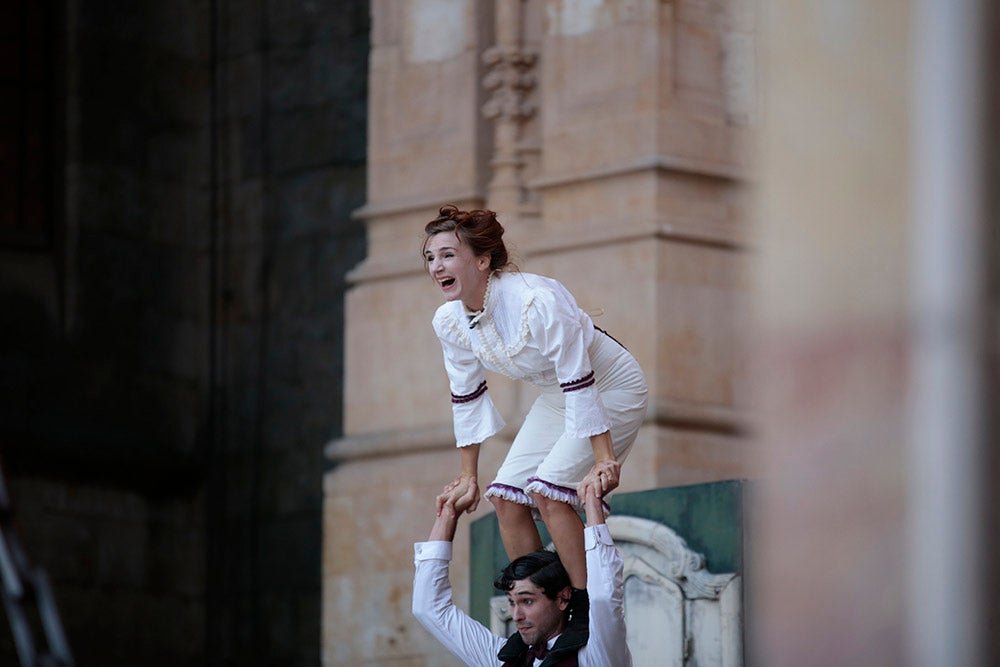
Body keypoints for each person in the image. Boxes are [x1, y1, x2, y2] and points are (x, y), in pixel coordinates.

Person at [422, 204, 648, 639]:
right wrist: (467, 474)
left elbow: (579, 377)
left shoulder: (536, 299)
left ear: (483, 260)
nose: (437, 266)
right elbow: (466, 394)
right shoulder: (450, 321)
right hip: (558, 396)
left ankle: (584, 614)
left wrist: (604, 458)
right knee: (505, 498)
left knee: (549, 492)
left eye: (448, 255)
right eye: (431, 257)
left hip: (610, 388)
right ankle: (541, 609)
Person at [412, 477, 632, 666]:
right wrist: (447, 515)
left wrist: (592, 506)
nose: (516, 616)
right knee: (504, 499)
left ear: (563, 598)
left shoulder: (596, 655)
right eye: (511, 602)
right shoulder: (503, 659)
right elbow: (429, 608)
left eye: (527, 601)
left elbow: (604, 595)